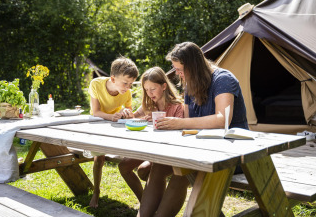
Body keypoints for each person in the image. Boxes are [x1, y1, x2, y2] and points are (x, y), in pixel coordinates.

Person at [137, 42, 248, 217]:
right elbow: (189, 122)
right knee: (158, 166)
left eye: (180, 69)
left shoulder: (223, 80)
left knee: (182, 170)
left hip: (232, 155)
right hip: (202, 150)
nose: (177, 74)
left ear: (193, 66)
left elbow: (222, 120)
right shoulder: (189, 85)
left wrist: (178, 123)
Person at [118, 67, 184, 202]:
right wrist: (127, 115)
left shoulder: (177, 106)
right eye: (146, 90)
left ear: (164, 86)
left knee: (144, 170)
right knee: (124, 166)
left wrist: (165, 124)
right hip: (150, 149)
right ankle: (145, 202)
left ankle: (152, 203)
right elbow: (132, 119)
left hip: (170, 151)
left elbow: (181, 133)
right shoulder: (148, 104)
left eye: (152, 89)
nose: (149, 93)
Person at [89, 56, 139, 208]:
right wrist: (112, 117)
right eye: (125, 83)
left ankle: (144, 199)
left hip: (116, 126)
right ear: (112, 78)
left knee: (130, 157)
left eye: (131, 84)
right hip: (99, 123)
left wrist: (127, 113)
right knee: (99, 159)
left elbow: (130, 112)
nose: (128, 87)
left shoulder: (127, 93)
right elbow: (96, 112)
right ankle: (96, 192)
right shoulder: (96, 84)